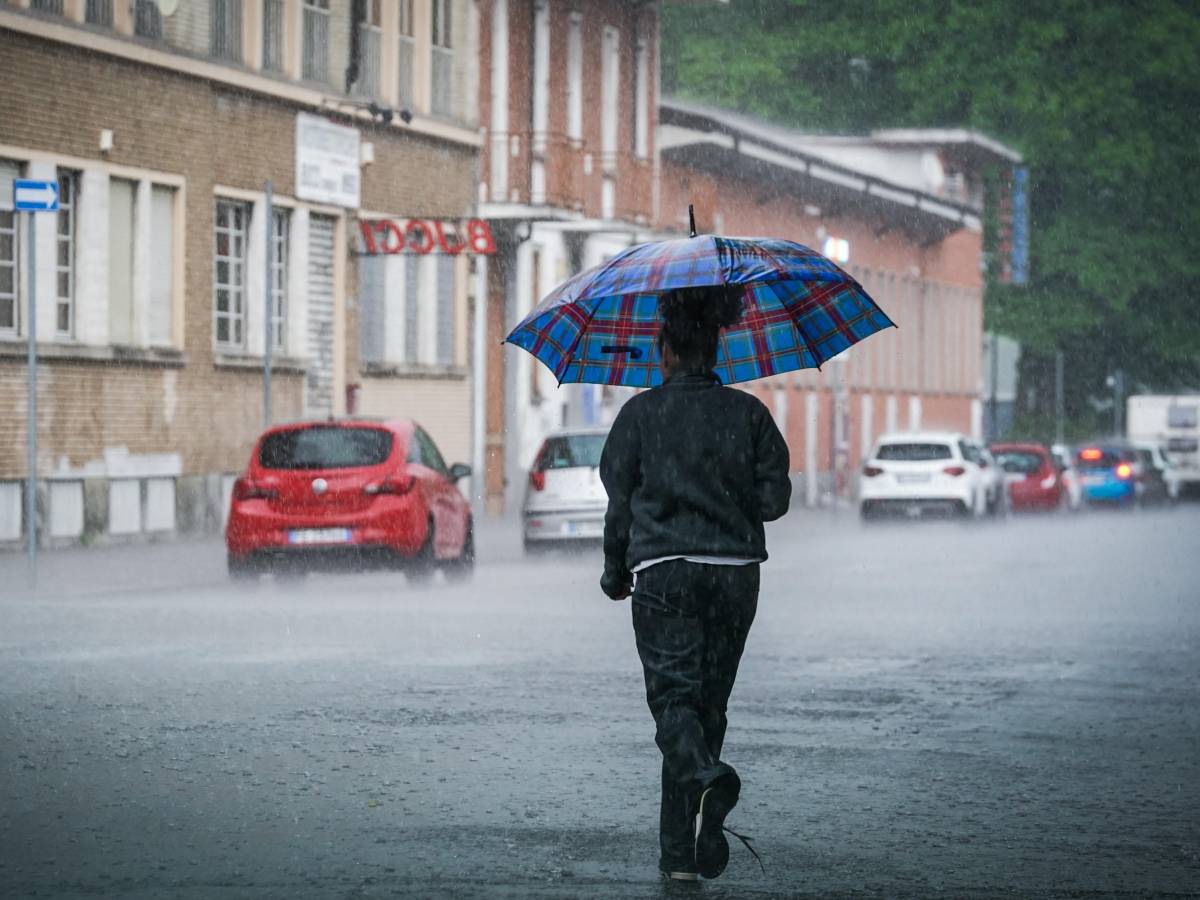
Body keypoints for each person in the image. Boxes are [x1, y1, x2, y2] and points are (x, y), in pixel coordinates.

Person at [599, 285, 792, 882]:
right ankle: (680, 857)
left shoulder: (638, 415)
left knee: (673, 703)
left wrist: (613, 567)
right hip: (735, 577)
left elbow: (619, 503)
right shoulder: (750, 414)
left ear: (666, 350)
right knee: (707, 706)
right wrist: (725, 493)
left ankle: (709, 781)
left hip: (663, 574)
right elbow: (775, 501)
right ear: (717, 349)